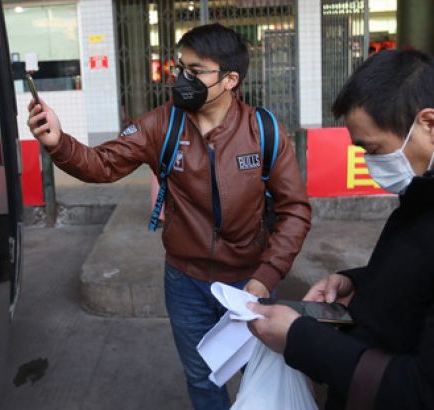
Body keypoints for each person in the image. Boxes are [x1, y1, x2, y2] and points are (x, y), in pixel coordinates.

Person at [27, 23, 311, 409]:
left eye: (195, 72)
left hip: (250, 284)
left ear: (230, 79)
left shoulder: (264, 131)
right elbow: (102, 164)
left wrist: (266, 277)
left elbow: (295, 211)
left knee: (257, 373)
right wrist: (59, 143)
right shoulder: (164, 122)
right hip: (185, 283)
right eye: (180, 68)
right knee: (202, 377)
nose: (181, 79)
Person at [248, 49, 434, 410]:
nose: (370, 163)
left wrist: (297, 338)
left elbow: (419, 391)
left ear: (428, 123)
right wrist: (357, 282)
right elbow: (418, 272)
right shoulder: (422, 189)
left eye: (374, 149)